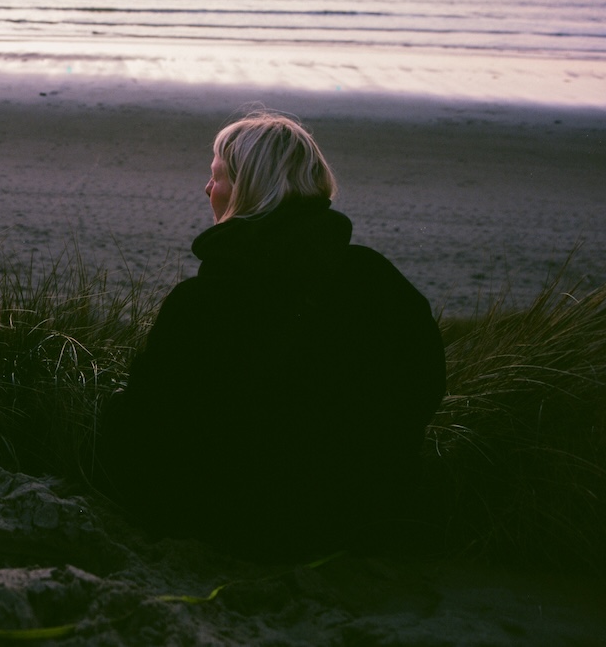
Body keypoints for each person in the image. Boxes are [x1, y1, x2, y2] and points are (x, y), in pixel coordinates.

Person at [97, 110, 446, 558]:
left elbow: (153, 416)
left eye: (217, 176)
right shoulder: (374, 279)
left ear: (248, 189)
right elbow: (424, 384)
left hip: (232, 520)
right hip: (361, 514)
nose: (207, 189)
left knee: (118, 414)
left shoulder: (203, 300)